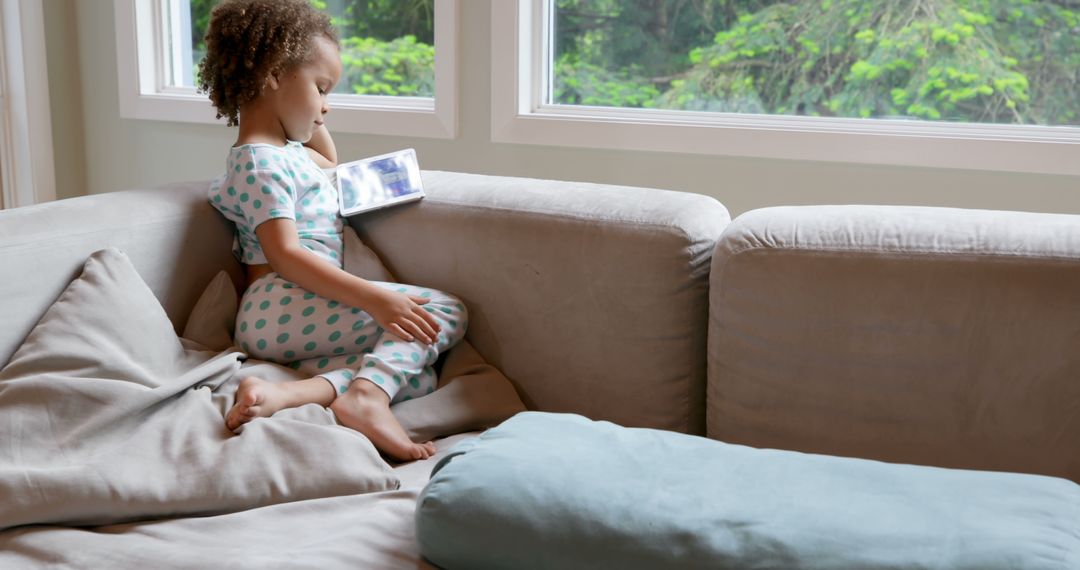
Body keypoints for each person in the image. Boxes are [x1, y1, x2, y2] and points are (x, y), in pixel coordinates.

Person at [198, 0, 467, 461]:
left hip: (298, 313)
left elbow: (329, 160)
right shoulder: (257, 161)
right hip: (279, 302)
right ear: (272, 73)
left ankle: (287, 395)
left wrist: (312, 108)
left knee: (417, 373)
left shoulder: (286, 154)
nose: (325, 107)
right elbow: (283, 254)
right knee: (443, 310)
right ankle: (365, 397)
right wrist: (373, 297)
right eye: (321, 88)